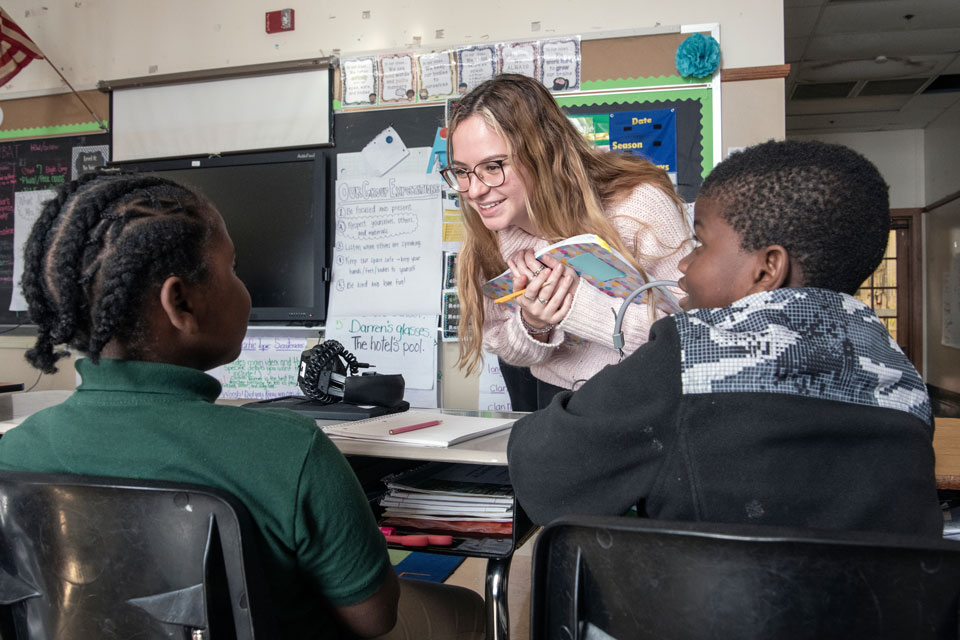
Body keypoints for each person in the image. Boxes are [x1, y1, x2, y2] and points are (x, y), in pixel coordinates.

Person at [0, 172, 485, 639]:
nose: (243, 286)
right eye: (232, 268)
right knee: (466, 608)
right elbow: (374, 616)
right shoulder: (288, 450)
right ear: (180, 304)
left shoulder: (12, 456)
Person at [507, 139, 942, 536]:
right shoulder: (901, 376)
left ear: (767, 268)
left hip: (716, 617)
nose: (684, 267)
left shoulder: (692, 350)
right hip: (887, 620)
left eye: (700, 245)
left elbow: (544, 477)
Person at [444, 73, 690, 410]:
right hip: (555, 402)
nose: (474, 190)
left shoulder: (638, 206)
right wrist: (534, 323)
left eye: (493, 166)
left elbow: (691, 333)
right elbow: (508, 349)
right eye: (461, 171)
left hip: (644, 400)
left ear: (542, 152)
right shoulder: (491, 232)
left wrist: (577, 306)